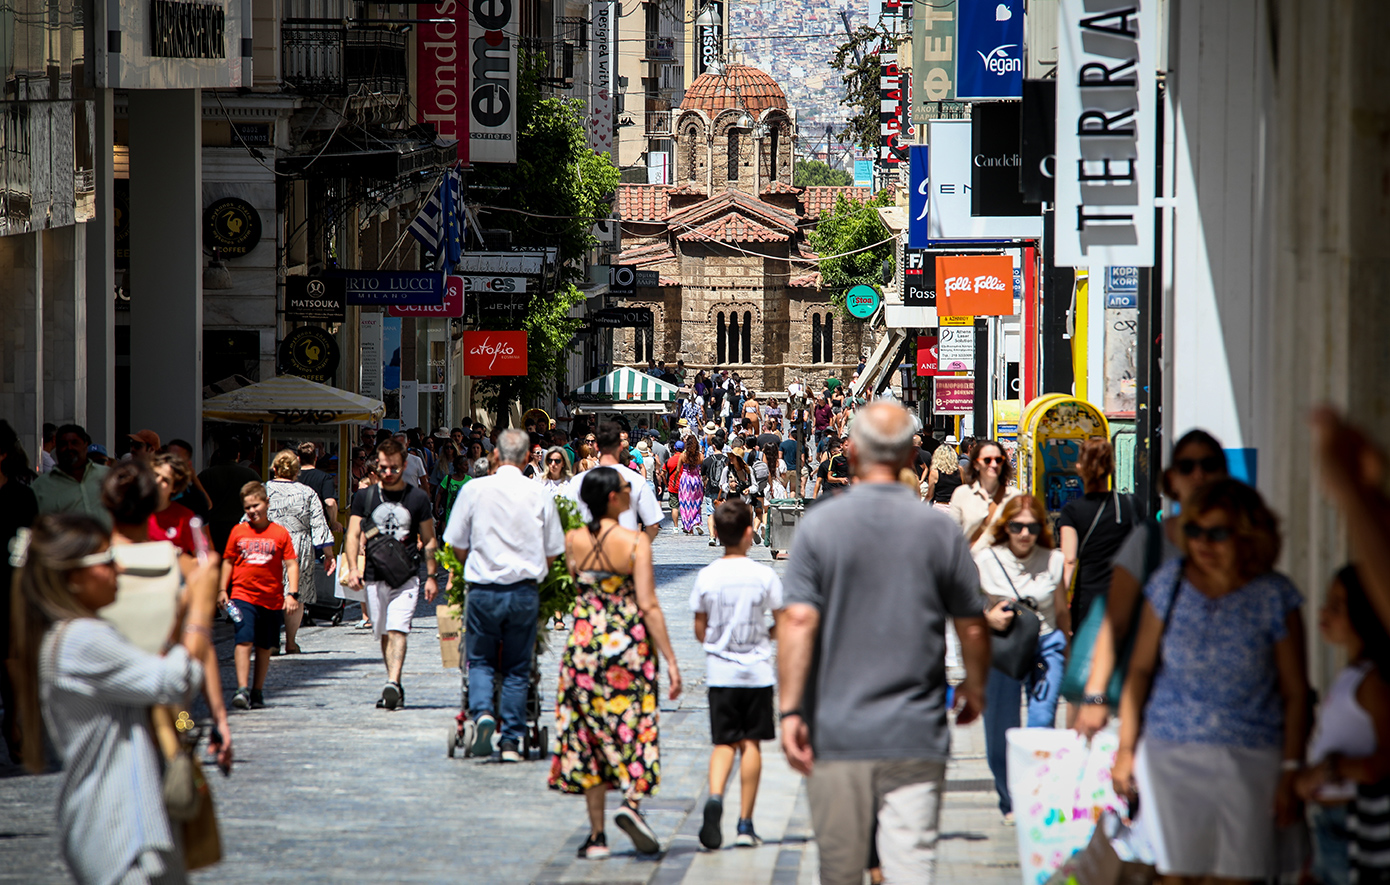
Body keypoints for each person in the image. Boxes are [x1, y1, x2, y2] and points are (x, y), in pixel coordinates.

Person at [779, 402, 989, 885]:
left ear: (851, 455)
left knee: (841, 870)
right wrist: (975, 687)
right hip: (915, 731)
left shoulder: (820, 527)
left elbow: (796, 624)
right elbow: (971, 623)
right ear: (910, 460)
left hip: (837, 730)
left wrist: (791, 710)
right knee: (911, 867)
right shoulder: (939, 529)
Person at [1112, 479, 1308, 883]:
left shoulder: (1274, 595)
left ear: (1248, 534)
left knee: (1236, 877)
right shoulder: (1169, 584)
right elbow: (1140, 671)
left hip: (1251, 759)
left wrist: (1292, 768)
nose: (1203, 543)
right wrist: (1126, 750)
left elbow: (1295, 691)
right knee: (1176, 876)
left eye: (1217, 533)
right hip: (1171, 755)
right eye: (1196, 531)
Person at [10, 513, 219, 884]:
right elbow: (176, 678)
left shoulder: (81, 633)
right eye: (105, 562)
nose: (118, 568)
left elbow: (152, 666)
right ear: (74, 579)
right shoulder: (81, 639)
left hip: (124, 816)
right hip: (118, 825)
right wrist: (202, 605)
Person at [549, 467, 682, 858]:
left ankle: (597, 836)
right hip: (628, 649)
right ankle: (632, 803)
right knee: (636, 725)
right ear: (611, 497)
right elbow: (648, 604)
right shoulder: (636, 542)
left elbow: (569, 590)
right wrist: (672, 660)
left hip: (584, 648)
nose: (629, 492)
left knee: (588, 734)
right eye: (625, 488)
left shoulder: (572, 540)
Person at [1073, 429, 1230, 737]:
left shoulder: (1249, 542)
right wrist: (1095, 694)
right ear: (1171, 479)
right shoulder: (1150, 543)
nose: (1199, 474)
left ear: (1224, 473)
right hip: (1162, 714)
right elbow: (1116, 624)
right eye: (1187, 466)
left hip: (1238, 723)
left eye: (1209, 465)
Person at [442, 429, 565, 762]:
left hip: (483, 590)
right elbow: (554, 550)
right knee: (516, 666)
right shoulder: (539, 493)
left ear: (496, 455)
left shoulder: (474, 489)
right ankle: (510, 740)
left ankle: (482, 714)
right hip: (524, 590)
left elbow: (456, 543)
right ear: (528, 459)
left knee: (479, 659)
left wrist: (476, 566)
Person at [692, 499, 785, 850]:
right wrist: (766, 636)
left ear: (716, 532)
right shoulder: (763, 575)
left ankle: (715, 797)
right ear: (750, 533)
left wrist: (715, 641)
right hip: (757, 673)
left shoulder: (707, 576)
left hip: (721, 673)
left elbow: (700, 627)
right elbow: (782, 617)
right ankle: (745, 823)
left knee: (723, 743)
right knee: (751, 744)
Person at [975, 494, 1068, 822]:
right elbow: (965, 608)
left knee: (1041, 723)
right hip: (1003, 646)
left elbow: (1060, 610)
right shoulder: (986, 560)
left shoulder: (1054, 560)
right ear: (1006, 527)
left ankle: (1036, 795)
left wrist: (1068, 648)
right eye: (1017, 526)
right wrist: (987, 619)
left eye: (1031, 526)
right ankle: (1009, 799)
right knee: (1001, 728)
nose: (1025, 533)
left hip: (1046, 645)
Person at [1295, 564, 1390, 885]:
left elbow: (1383, 763)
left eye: (1337, 606)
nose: (1324, 612)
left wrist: (1328, 770)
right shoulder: (1352, 676)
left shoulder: (1373, 682)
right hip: (1329, 825)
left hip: (1353, 825)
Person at [343, 439, 439, 709]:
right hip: (374, 575)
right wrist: (352, 567)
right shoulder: (365, 497)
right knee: (384, 631)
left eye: (394, 468)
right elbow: (352, 534)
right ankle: (391, 679)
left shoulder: (417, 498)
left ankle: (393, 683)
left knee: (398, 629)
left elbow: (429, 539)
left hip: (407, 576)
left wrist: (431, 575)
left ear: (404, 466)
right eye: (383, 468)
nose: (388, 473)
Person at [220, 481, 299, 709]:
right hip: (242, 596)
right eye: (247, 508)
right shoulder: (238, 531)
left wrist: (292, 593)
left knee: (265, 646)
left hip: (272, 600)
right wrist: (222, 589)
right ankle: (242, 688)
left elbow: (291, 564)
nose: (252, 511)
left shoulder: (279, 533)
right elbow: (228, 560)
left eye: (256, 506)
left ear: (266, 503)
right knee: (243, 639)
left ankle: (257, 690)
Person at [1058, 437, 1138, 631]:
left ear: (1079, 468)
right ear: (1111, 466)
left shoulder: (1072, 511)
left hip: (1088, 601)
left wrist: (1058, 607)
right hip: (1125, 600)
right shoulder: (1131, 504)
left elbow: (1069, 561)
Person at [262, 451, 334, 655]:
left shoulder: (263, 489)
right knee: (296, 593)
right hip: (297, 545)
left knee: (271, 592)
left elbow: (249, 517)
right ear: (297, 471)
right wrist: (328, 554)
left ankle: (273, 640)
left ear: (274, 469)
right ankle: (291, 642)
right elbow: (319, 525)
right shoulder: (307, 492)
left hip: (269, 543)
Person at [0, 420, 38, 759]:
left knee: (12, 665)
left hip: (9, 589)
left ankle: (11, 722)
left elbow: (28, 545)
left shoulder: (21, 495)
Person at [567, 423, 663, 539]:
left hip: (590, 548)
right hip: (626, 547)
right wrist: (640, 546)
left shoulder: (578, 481)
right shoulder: (636, 480)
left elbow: (569, 519)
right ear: (620, 446)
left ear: (596, 446)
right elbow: (653, 524)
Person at [32, 424, 110, 526]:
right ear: (57, 447)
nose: (69, 448)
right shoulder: (40, 486)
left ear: (85, 446)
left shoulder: (108, 476)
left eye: (74, 443)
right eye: (63, 444)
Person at [949, 439, 1020, 551]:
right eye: (987, 460)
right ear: (976, 464)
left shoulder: (1014, 497)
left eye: (998, 460)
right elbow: (953, 537)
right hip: (972, 565)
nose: (993, 464)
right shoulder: (962, 494)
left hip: (1003, 565)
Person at [198, 438, 261, 552]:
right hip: (242, 526)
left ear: (219, 454)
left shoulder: (206, 475)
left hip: (214, 528)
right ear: (238, 455)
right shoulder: (249, 474)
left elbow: (197, 501)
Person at [148, 452, 200, 557]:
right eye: (155, 475)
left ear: (175, 488)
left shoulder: (185, 517)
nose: (157, 481)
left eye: (165, 480)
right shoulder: (132, 511)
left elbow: (202, 559)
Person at [296, 441, 342, 533]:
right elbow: (330, 503)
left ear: (299, 459)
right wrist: (334, 522)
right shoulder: (324, 478)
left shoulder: (291, 477)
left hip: (295, 526)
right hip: (317, 526)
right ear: (315, 458)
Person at [163, 438, 212, 519]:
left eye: (177, 458)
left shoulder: (193, 496)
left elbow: (207, 505)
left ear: (188, 463)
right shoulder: (156, 490)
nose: (172, 462)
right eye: (168, 457)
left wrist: (193, 477)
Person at [677, 440, 705, 535]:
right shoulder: (700, 456)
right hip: (696, 480)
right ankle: (696, 521)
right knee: (696, 503)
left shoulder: (683, 456)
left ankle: (689, 527)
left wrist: (674, 480)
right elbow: (702, 469)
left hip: (685, 480)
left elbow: (678, 470)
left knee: (685, 504)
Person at [926, 443, 963, 513]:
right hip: (956, 506)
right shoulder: (960, 470)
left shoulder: (934, 473)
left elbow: (930, 495)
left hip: (940, 506)